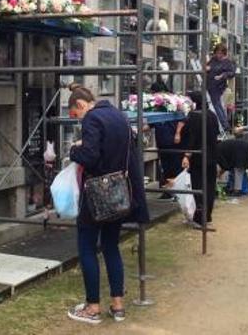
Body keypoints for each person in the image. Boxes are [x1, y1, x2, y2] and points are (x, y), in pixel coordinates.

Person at [66, 83, 150, 325]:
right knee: (111, 246)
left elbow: (91, 157)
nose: (78, 120)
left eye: (75, 115)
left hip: (96, 194)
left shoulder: (92, 119)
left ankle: (92, 308)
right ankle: (118, 305)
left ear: (81, 105)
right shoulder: (118, 115)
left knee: (87, 247)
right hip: (120, 193)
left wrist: (73, 151)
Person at [178, 91, 219, 228]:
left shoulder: (194, 116)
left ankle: (199, 218)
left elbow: (191, 138)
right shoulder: (212, 115)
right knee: (210, 187)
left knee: (198, 186)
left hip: (198, 157)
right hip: (212, 156)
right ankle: (207, 216)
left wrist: (186, 155)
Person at [206, 43, 235, 134]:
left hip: (218, 86)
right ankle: (224, 125)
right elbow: (208, 67)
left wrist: (222, 76)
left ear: (224, 53)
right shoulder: (213, 60)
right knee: (216, 105)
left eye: (220, 53)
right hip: (209, 84)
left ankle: (225, 125)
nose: (218, 55)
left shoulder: (227, 62)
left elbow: (232, 73)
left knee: (217, 105)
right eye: (217, 53)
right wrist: (207, 68)